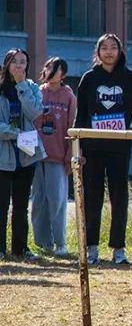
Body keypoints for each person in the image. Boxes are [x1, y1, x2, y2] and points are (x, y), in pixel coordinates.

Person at [74, 34, 132, 265]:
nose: (108, 52)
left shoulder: (130, 77)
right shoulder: (89, 78)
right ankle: (91, 248)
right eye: (104, 48)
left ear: (120, 51)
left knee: (119, 196)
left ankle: (118, 249)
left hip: (120, 145)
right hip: (92, 146)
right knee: (92, 196)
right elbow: (81, 114)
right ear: (97, 52)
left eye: (113, 47)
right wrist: (79, 147)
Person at [0, 49, 45, 260]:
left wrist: (21, 85)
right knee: (1, 204)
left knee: (21, 205)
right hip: (3, 154)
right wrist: (14, 133)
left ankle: (20, 248)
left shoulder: (32, 88)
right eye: (15, 62)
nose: (19, 66)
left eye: (23, 62)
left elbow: (35, 113)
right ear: (6, 64)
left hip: (27, 154)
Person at [32, 56, 76, 256]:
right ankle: (43, 243)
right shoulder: (38, 92)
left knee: (57, 200)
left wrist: (70, 154)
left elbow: (72, 127)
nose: (52, 71)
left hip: (58, 156)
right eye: (49, 66)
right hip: (35, 156)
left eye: (57, 68)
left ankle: (61, 243)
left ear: (63, 74)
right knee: (39, 201)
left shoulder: (68, 96)